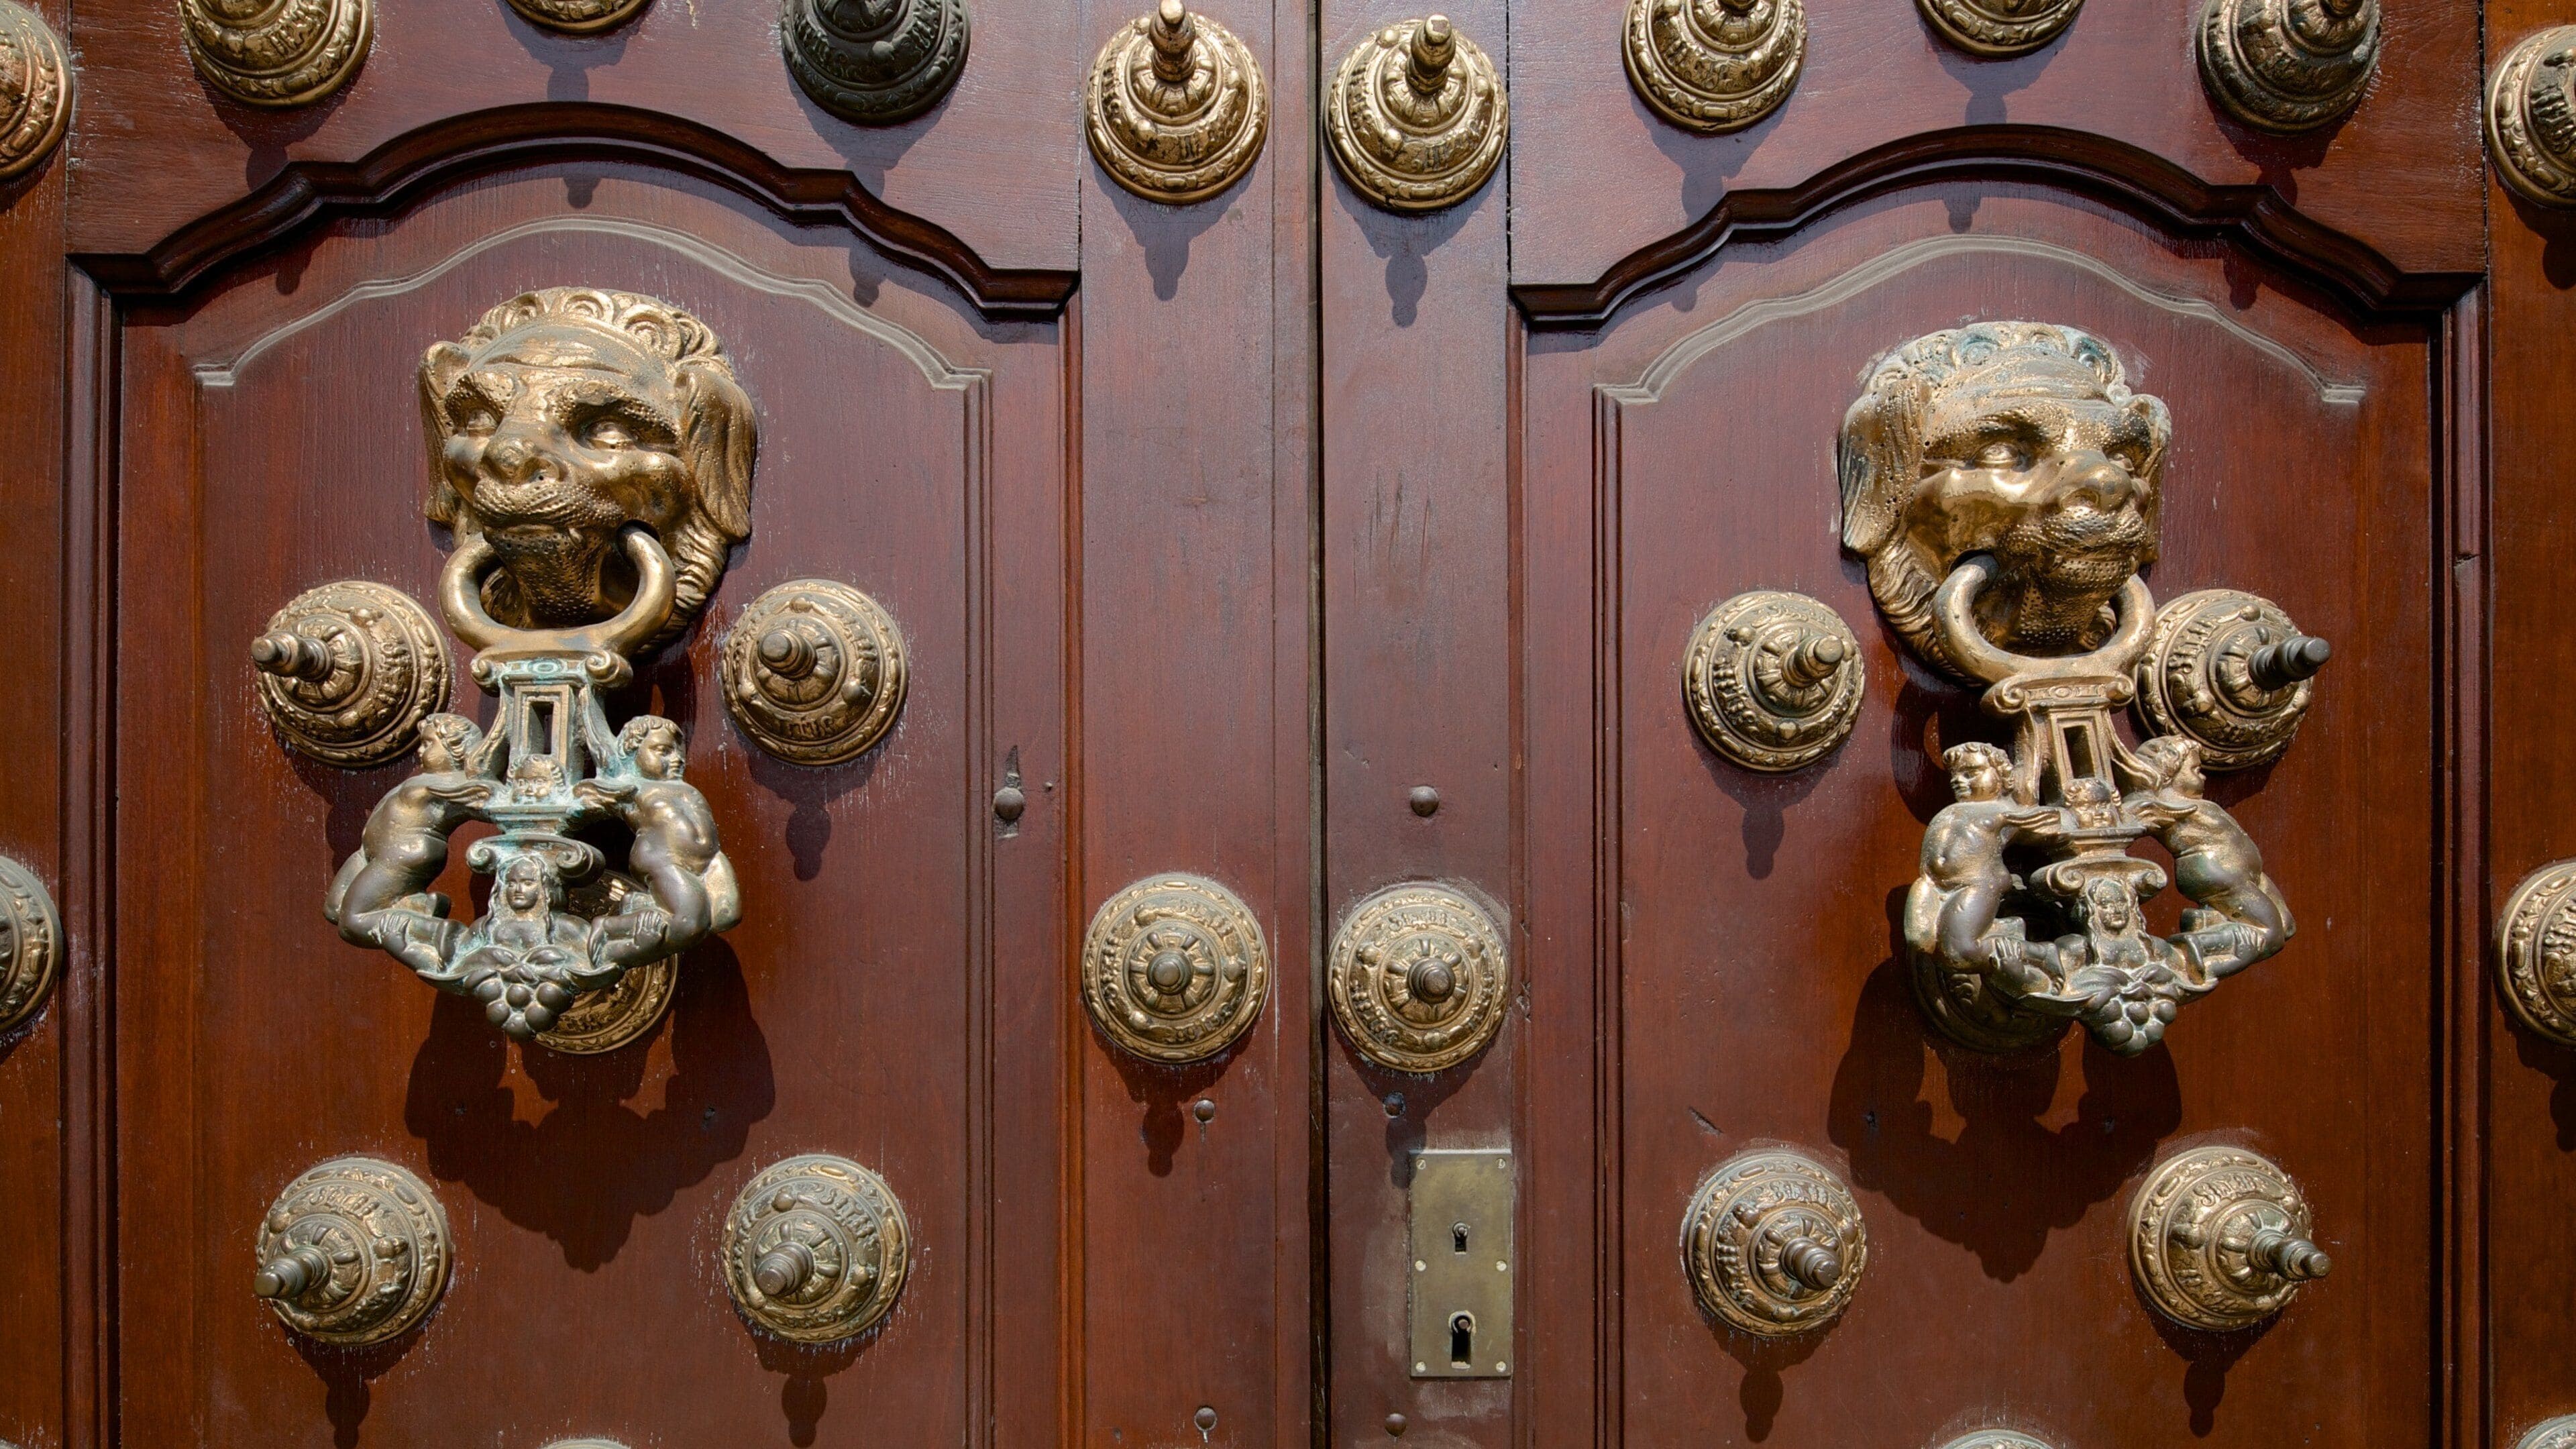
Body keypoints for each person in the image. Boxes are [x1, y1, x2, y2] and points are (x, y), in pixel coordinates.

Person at [326, 712, 496, 977]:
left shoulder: (457, 783)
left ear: (456, 749)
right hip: (373, 852)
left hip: (404, 855)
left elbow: (491, 801)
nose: (420, 750)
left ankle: (438, 933)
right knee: (334, 909)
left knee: (353, 922)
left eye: (429, 744)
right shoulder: (426, 779)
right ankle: (420, 907)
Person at [576, 715, 741, 971]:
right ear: (632, 752)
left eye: (678, 752)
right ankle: (611, 936)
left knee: (727, 914)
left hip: (710, 860)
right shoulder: (631, 787)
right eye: (663, 751)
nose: (676, 759)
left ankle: (644, 907)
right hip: (665, 859)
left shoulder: (683, 787)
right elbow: (599, 755)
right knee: (689, 923)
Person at [2126, 734, 2294, 980]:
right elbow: (2129, 813)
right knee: (2269, 933)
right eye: (2195, 770)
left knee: (2286, 924)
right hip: (2217, 874)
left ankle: (2207, 924)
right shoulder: (2162, 804)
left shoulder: (2188, 803)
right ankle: (2193, 952)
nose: (2203, 776)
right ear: (2168, 772)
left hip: (2242, 873)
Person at [1903, 741, 2063, 1000]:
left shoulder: (2005, 812)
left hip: (1976, 884)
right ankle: (2006, 929)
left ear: (2000, 776)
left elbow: (2048, 818)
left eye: (1971, 773)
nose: (1958, 780)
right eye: (1955, 775)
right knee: (1919, 938)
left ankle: (2039, 954)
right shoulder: (1954, 810)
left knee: (1959, 951)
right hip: (1933, 885)